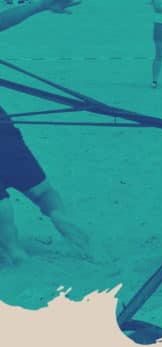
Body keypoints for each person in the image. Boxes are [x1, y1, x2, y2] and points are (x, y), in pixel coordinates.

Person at [0, 0, 89, 266]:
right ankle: (61, 219)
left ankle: (13, 250)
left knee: (1, 208)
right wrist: (41, 5)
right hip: (2, 127)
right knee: (42, 191)